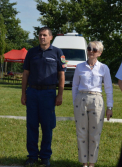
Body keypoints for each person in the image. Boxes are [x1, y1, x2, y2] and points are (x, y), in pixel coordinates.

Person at [21, 27, 66, 167]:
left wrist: (60, 94)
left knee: (47, 126)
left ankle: (45, 156)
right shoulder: (31, 52)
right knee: (32, 125)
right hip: (33, 93)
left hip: (49, 93)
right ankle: (32, 156)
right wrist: (23, 93)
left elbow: (61, 74)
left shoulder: (58, 53)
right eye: (40, 35)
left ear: (50, 37)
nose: (42, 37)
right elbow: (26, 74)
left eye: (45, 35)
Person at [72, 41, 113, 167]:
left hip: (97, 100)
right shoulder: (79, 67)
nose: (91, 51)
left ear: (99, 53)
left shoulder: (104, 68)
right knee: (81, 132)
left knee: (95, 133)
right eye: (89, 48)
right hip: (81, 98)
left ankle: (92, 163)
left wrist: (109, 107)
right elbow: (75, 85)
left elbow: (108, 88)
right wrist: (75, 103)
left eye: (94, 49)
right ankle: (84, 163)